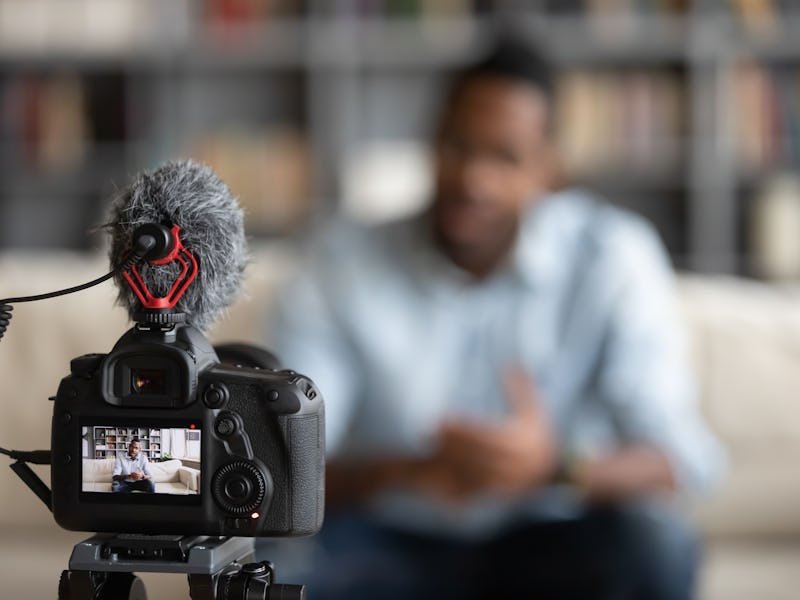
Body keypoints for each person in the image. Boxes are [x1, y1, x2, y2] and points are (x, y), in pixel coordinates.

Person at [259, 35, 724, 600]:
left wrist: (554, 468)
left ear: (550, 169)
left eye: (505, 157)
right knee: (269, 568)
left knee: (659, 542)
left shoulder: (614, 256)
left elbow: (680, 459)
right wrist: (411, 472)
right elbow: (282, 468)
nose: (474, 179)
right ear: (432, 137)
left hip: (553, 537)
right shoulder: (337, 263)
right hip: (389, 540)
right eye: (459, 145)